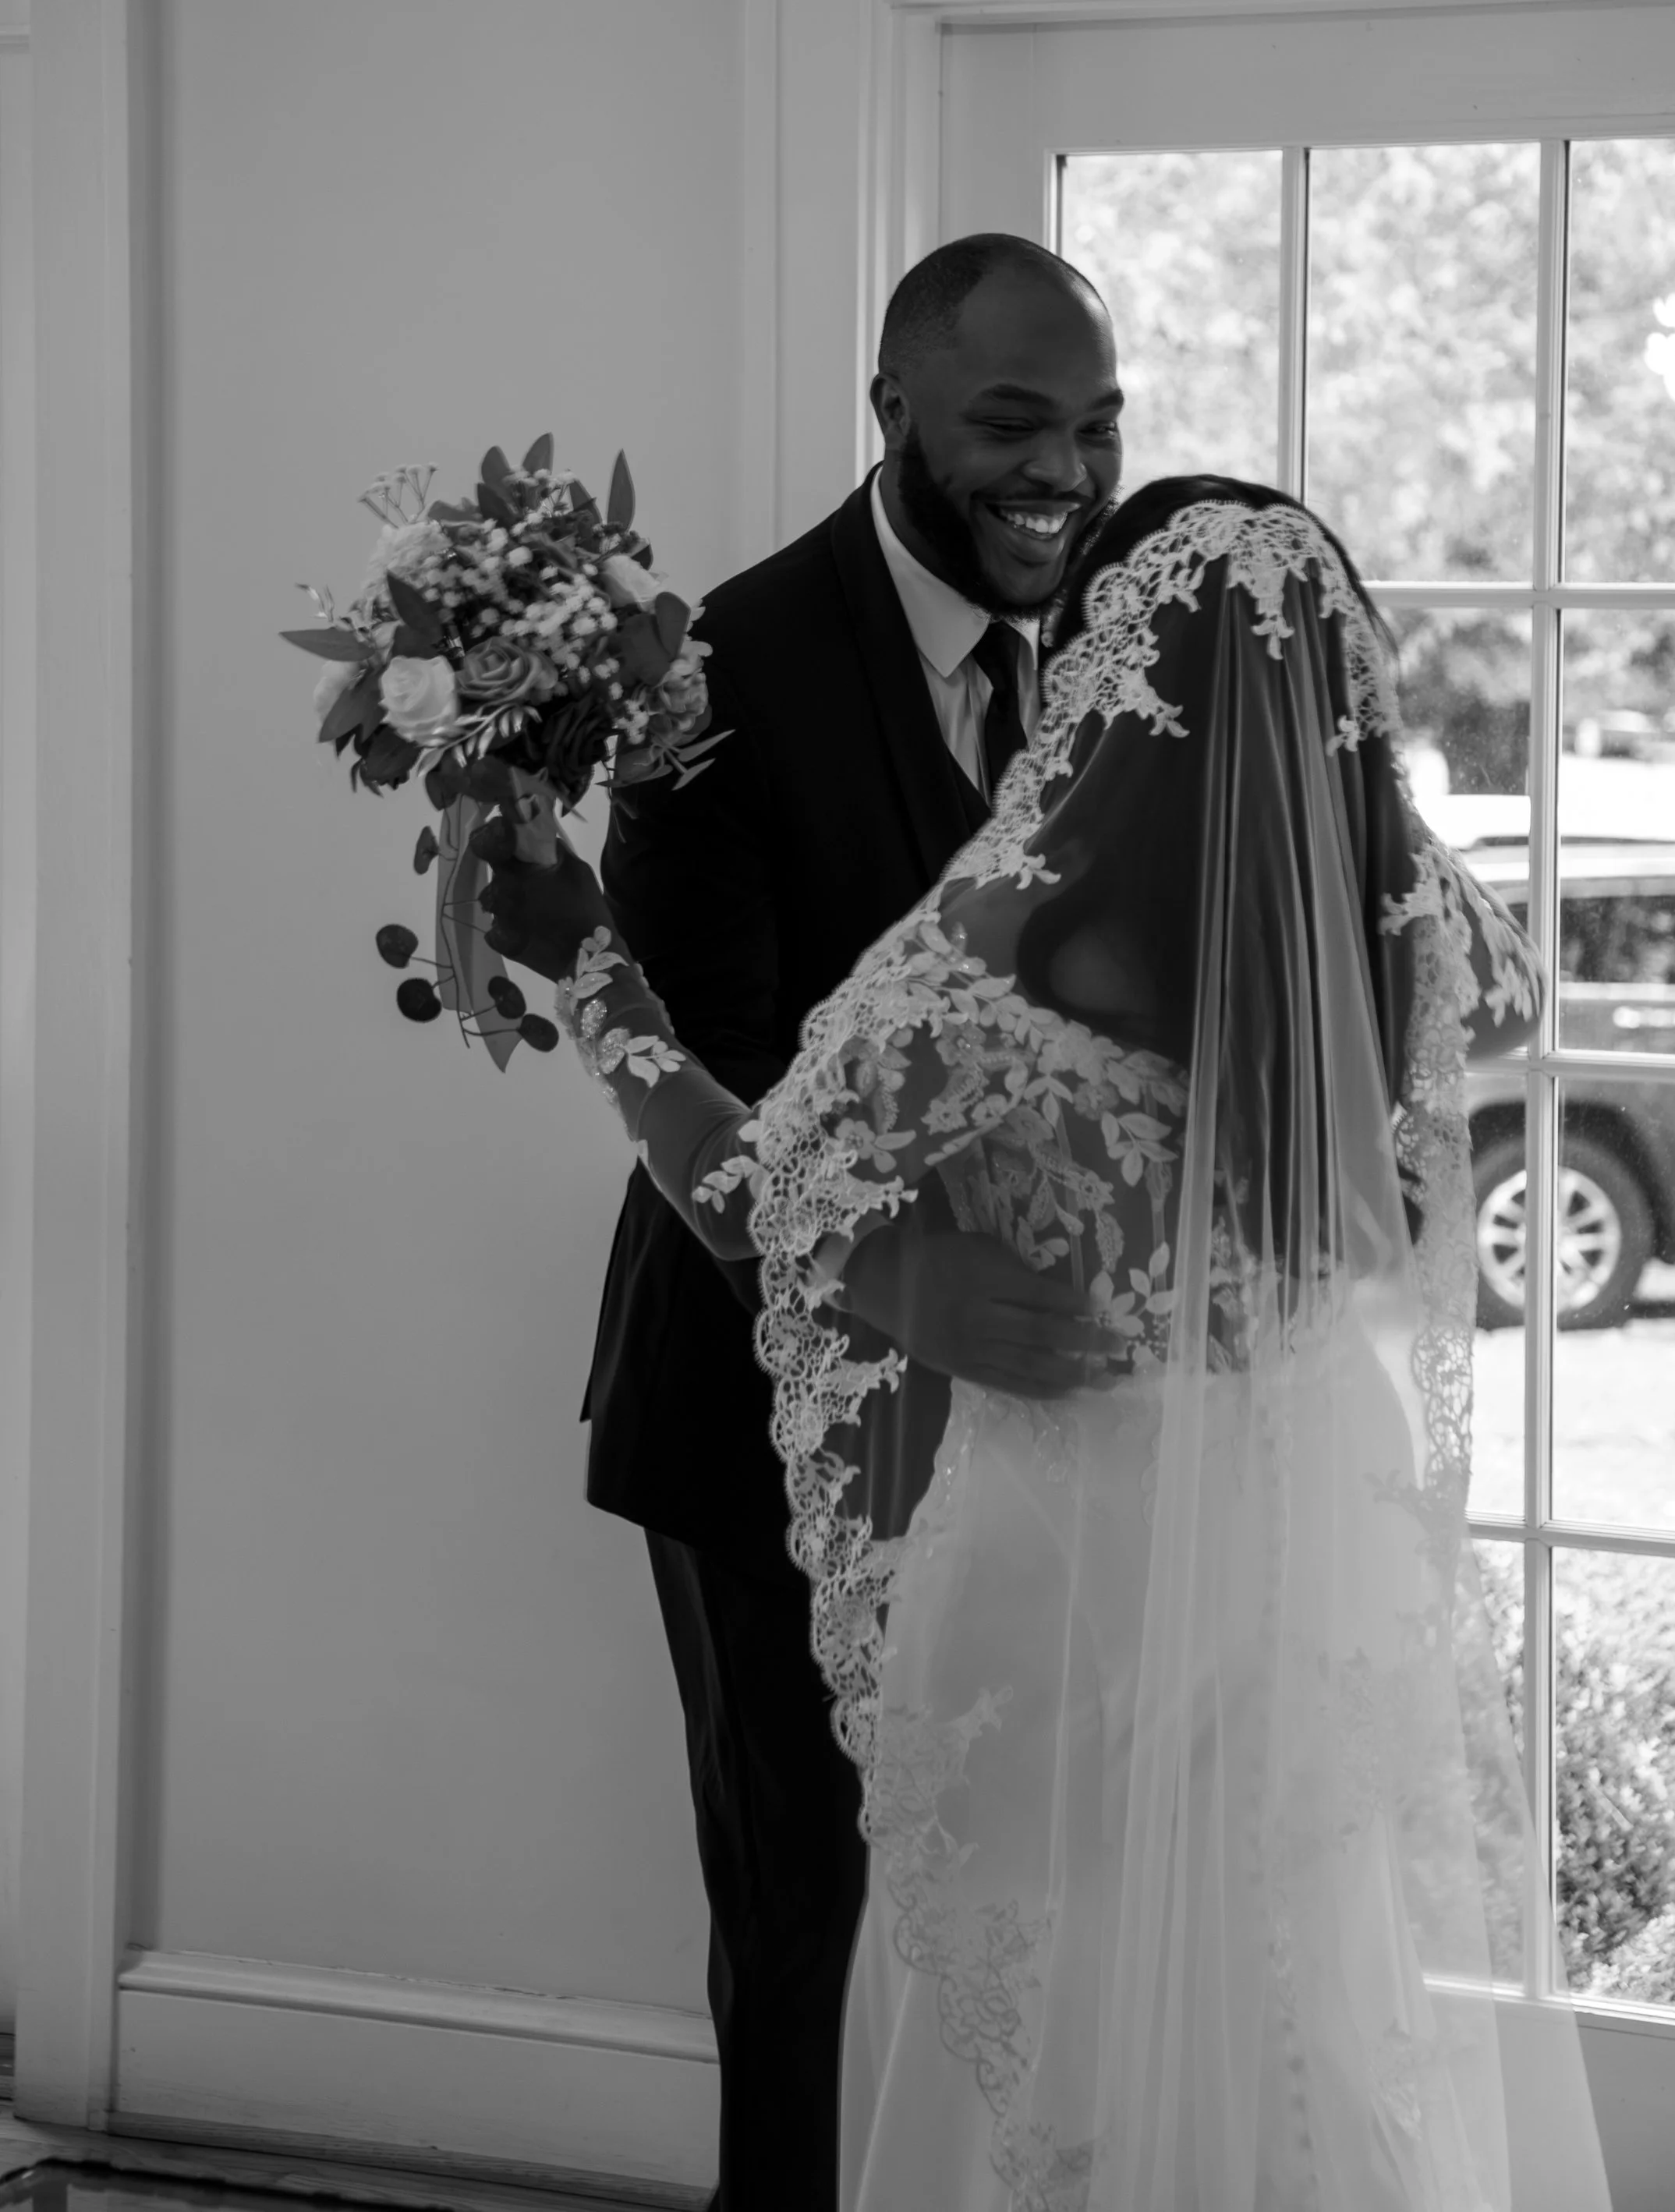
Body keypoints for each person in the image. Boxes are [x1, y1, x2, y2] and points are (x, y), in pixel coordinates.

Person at [483, 476, 1613, 2212]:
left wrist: (591, 979)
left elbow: (744, 1190)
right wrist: (1337, 797)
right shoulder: (1418, 939)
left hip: (1066, 1547)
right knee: (1289, 1982)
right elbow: (1505, 994)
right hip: (1291, 1541)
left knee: (1053, 2003)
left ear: (1098, 677)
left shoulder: (1005, 955)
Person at [581, 233, 1124, 2210]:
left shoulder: (1110, 647)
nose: (1059, 468)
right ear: (889, 406)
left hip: (1036, 1429)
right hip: (764, 1413)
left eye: (1090, 422)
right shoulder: (715, 680)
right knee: (798, 1924)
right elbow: (709, 1112)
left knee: (1020, 1918)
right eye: (1008, 422)